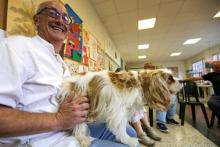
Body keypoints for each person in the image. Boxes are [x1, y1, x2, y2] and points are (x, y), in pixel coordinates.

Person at [0, 1, 139, 147]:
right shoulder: (15, 47)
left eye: (65, 18)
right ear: (37, 20)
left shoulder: (60, 63)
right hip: (45, 139)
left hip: (71, 128)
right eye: (53, 13)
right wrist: (58, 119)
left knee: (130, 133)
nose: (60, 20)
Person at [181, 61, 220, 128]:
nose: (217, 69)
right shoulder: (211, 75)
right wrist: (183, 80)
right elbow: (195, 78)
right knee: (211, 102)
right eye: (215, 67)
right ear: (213, 68)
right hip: (217, 96)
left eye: (218, 67)